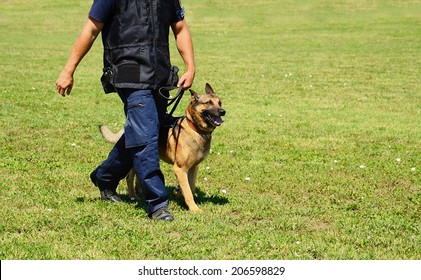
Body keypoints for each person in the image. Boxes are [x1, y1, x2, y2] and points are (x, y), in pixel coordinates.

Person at [55, 0, 195, 221]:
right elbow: (91, 29)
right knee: (146, 137)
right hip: (128, 72)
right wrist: (68, 70)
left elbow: (180, 27)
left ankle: (105, 177)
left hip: (160, 75)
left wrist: (190, 66)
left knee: (143, 131)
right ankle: (158, 204)